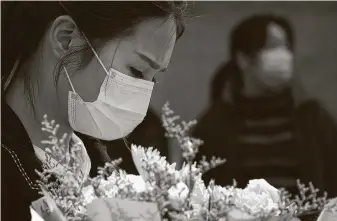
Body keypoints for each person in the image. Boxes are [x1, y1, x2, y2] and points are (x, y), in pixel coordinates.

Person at [1, 1, 188, 220]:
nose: (143, 97)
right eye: (137, 71)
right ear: (66, 39)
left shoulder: (115, 168)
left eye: (152, 79)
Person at [193, 14, 337, 196]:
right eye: (272, 46)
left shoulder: (313, 119)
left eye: (286, 46)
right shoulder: (215, 125)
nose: (283, 56)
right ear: (243, 59)